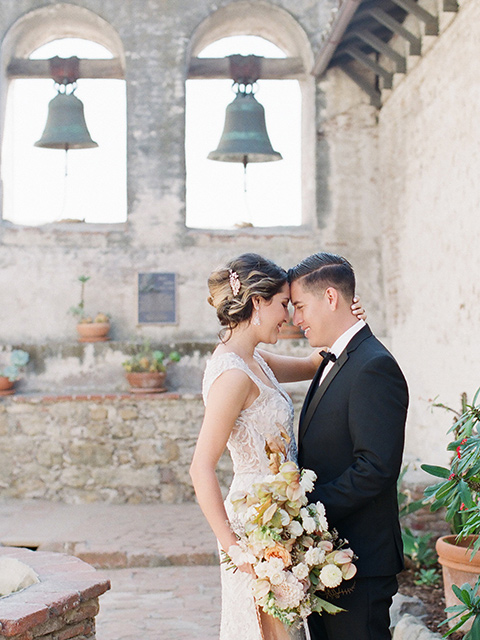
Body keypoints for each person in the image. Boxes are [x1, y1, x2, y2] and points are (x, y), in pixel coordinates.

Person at [189, 253, 365, 640]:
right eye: (284, 304)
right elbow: (200, 467)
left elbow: (312, 363)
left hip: (282, 516)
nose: (289, 315)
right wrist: (234, 547)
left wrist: (347, 325)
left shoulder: (256, 359)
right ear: (257, 303)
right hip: (255, 526)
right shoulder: (232, 374)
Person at [288, 252, 409, 640]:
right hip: (328, 557)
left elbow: (375, 467)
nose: (295, 319)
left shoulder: (374, 366)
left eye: (300, 306)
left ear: (330, 297)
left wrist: (307, 512)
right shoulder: (332, 358)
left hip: (360, 563)